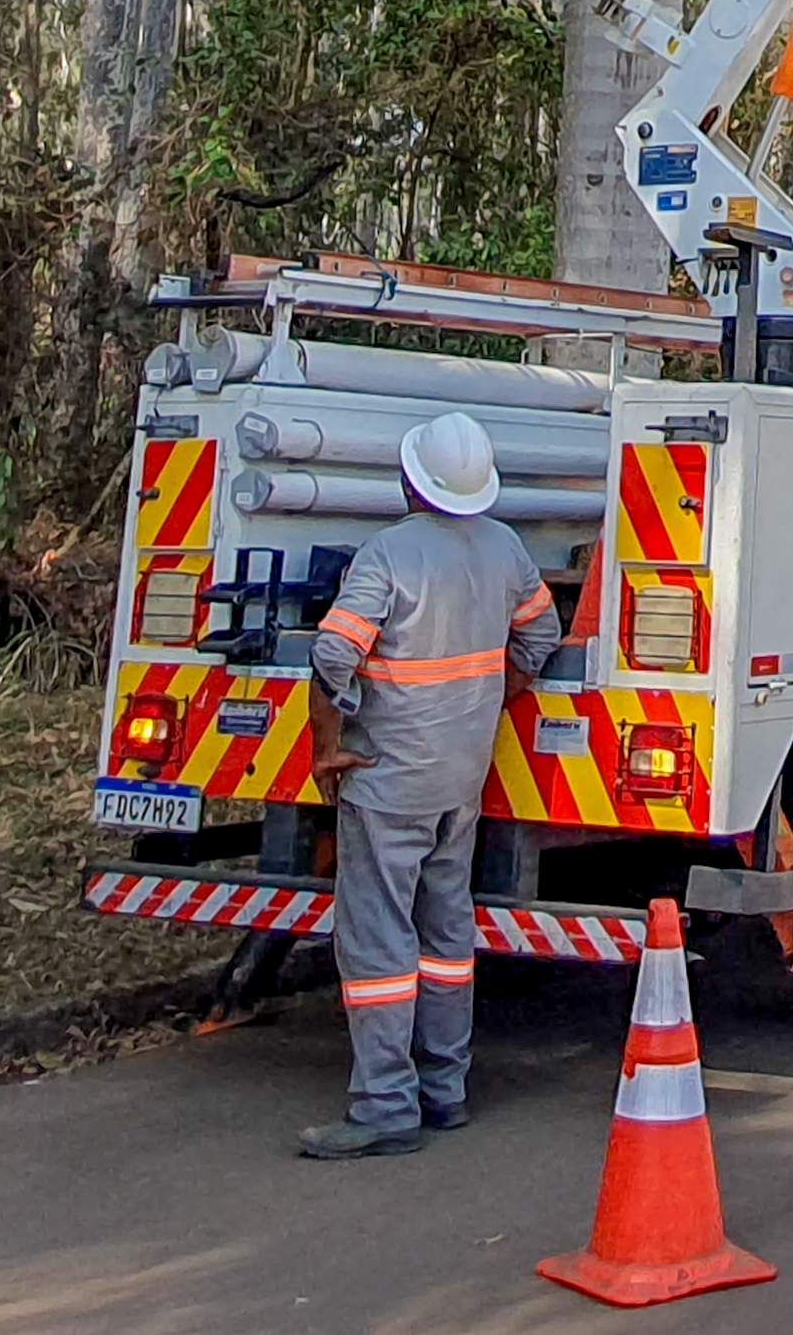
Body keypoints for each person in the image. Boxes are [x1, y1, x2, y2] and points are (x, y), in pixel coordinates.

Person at [297, 409, 562, 1159]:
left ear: (411, 478)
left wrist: (328, 748)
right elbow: (540, 637)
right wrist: (487, 700)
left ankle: (384, 1105)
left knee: (379, 936)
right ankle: (445, 1091)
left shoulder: (386, 555)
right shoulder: (505, 548)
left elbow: (331, 657)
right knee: (447, 932)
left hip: (389, 777)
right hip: (461, 775)